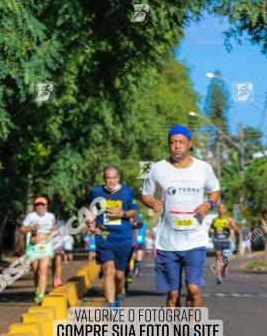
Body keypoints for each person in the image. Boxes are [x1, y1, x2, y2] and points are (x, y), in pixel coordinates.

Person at [141, 124, 220, 308]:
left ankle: (193, 327)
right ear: (169, 145)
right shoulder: (156, 168)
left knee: (193, 288)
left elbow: (214, 189)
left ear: (189, 144)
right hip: (167, 242)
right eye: (173, 142)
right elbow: (144, 193)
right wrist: (152, 202)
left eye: (181, 142)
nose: (177, 146)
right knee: (173, 292)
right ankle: (176, 333)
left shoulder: (203, 167)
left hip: (194, 239)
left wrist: (209, 203)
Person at [87, 165, 139, 308]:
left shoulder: (128, 192)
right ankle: (111, 305)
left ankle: (116, 297)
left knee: (120, 276)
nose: (110, 181)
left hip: (123, 238)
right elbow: (91, 211)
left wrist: (123, 213)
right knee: (108, 269)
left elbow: (134, 212)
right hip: (104, 236)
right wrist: (90, 223)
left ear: (118, 178)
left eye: (113, 177)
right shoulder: (96, 192)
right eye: (107, 178)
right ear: (104, 178)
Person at [19, 197, 57, 304]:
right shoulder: (31, 216)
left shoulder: (50, 216)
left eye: (42, 204)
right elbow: (21, 230)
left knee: (42, 270)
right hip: (33, 247)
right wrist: (32, 228)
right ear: (35, 206)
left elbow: (54, 228)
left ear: (46, 206)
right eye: (38, 205)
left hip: (45, 246)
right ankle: (37, 289)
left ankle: (41, 295)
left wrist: (51, 234)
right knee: (35, 271)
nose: (40, 207)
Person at [210, 203, 239, 284]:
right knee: (218, 256)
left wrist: (229, 227)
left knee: (226, 258)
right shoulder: (214, 220)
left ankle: (225, 268)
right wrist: (213, 231)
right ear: (217, 210)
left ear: (225, 210)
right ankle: (219, 276)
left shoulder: (229, 219)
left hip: (226, 241)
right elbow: (211, 228)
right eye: (219, 208)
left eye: (222, 208)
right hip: (217, 241)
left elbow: (236, 229)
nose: (221, 210)